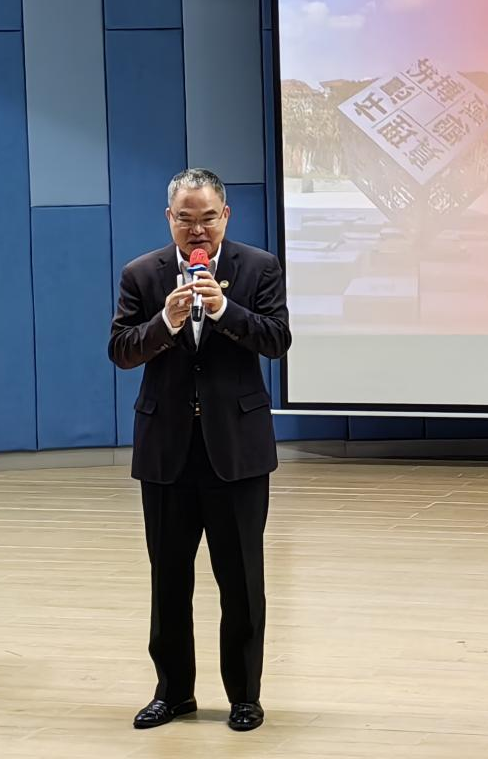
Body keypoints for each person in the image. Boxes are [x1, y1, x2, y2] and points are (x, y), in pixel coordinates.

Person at [108, 168, 291, 732]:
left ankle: (244, 696)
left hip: (235, 451)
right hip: (167, 451)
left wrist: (224, 311)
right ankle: (173, 694)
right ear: (169, 218)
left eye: (208, 218)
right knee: (168, 581)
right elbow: (121, 350)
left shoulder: (257, 267)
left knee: (241, 582)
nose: (197, 230)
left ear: (225, 216)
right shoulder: (142, 274)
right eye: (185, 219)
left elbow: (277, 339)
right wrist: (165, 321)